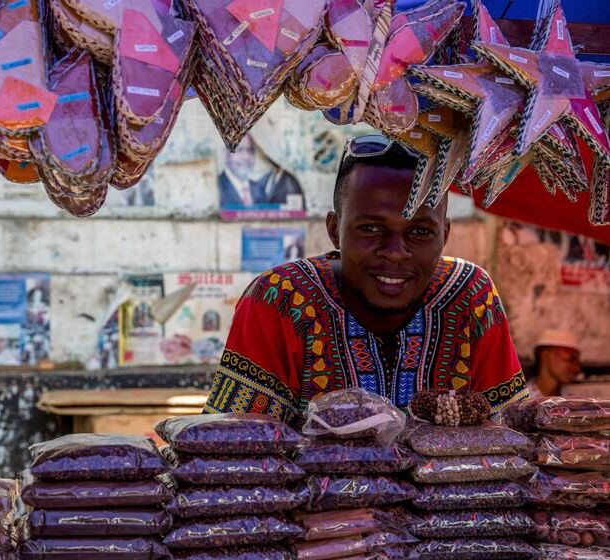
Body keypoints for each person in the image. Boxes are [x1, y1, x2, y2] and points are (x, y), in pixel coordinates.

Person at [205, 134, 528, 427]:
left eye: (420, 232)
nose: (396, 253)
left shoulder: (471, 294)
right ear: (334, 230)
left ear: (444, 233)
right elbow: (231, 445)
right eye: (371, 228)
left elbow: (512, 431)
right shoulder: (281, 298)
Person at [527, 329, 581, 397]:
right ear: (545, 355)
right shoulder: (520, 401)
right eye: (570, 360)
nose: (577, 369)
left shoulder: (571, 401)